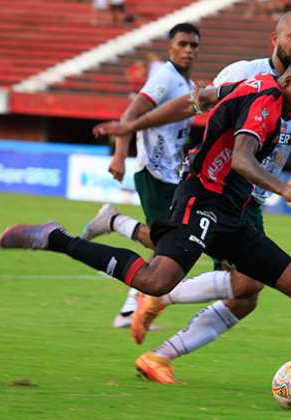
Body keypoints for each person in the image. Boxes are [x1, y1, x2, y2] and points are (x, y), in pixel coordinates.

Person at [0, 57, 291, 412]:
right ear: (288, 80)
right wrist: (282, 186)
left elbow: (209, 98)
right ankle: (58, 239)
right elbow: (240, 159)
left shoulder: (259, 87)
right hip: (202, 201)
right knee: (155, 279)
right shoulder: (267, 101)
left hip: (231, 214)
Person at [89, 11, 291, 385]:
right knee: (245, 284)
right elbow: (191, 103)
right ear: (274, 37)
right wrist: (130, 127)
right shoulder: (245, 73)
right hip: (216, 191)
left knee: (244, 294)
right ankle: (159, 302)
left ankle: (157, 343)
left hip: (249, 200)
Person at [95, 23, 200, 329]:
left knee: (162, 245)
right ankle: (113, 221)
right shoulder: (164, 78)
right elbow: (130, 116)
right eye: (182, 44)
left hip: (170, 173)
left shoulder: (184, 82)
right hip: (152, 172)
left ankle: (130, 309)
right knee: (164, 243)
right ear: (170, 47)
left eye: (193, 45)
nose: (188, 50)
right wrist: (119, 155)